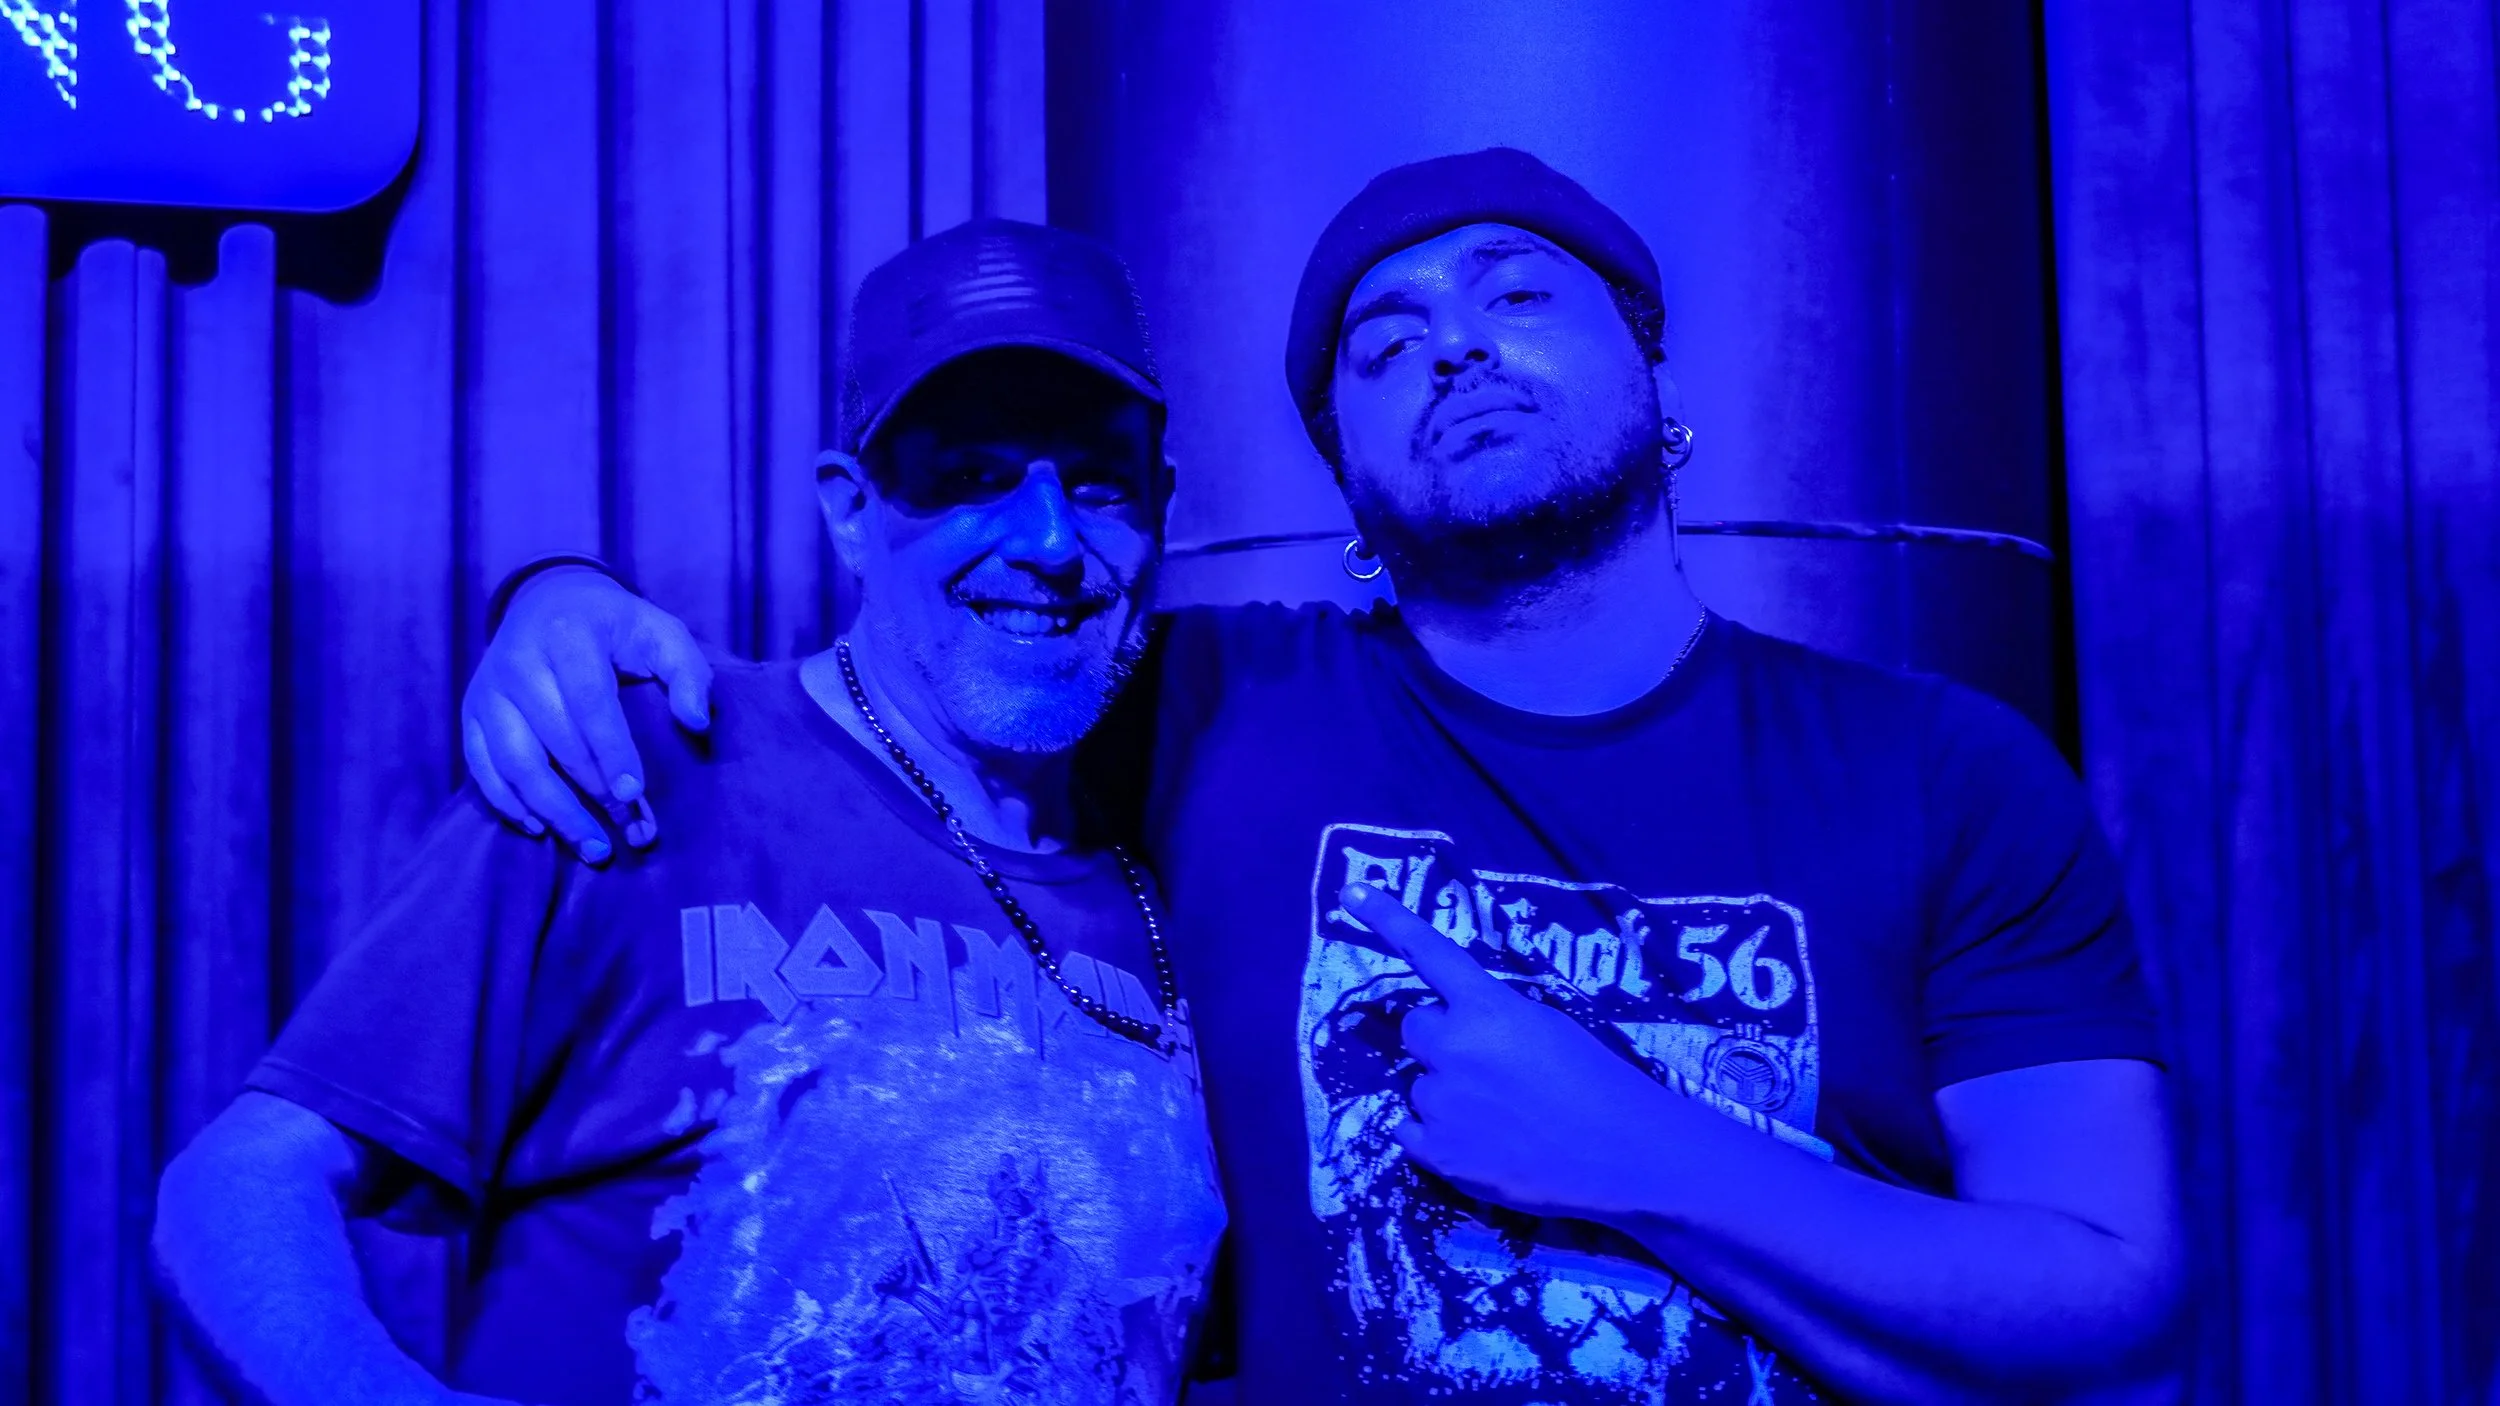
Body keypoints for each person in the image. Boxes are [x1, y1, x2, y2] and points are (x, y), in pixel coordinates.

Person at [462, 150, 2185, 1404]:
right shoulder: (1206, 702)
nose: (1455, 344)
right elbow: (913, 660)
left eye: (1521, 293)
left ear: (1655, 371)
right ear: (1342, 480)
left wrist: (1636, 1146)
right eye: (1384, 341)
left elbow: (2114, 1315)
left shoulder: (1943, 771)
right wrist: (557, 596)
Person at [153, 219, 1228, 1406]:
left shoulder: (1175, 888)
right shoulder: (644, 761)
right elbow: (243, 1178)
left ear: (1162, 509)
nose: (1049, 543)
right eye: (973, 477)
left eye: (1098, 483)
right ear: (850, 510)